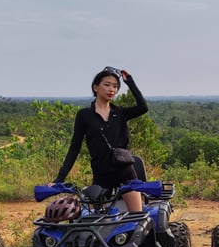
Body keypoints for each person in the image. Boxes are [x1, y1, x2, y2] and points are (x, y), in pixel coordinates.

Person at [53, 67, 149, 212]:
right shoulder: (84, 115)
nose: (112, 89)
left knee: (137, 219)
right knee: (93, 222)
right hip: (101, 174)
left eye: (115, 86)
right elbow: (75, 148)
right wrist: (59, 179)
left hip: (125, 172)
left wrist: (129, 81)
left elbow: (143, 107)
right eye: (107, 84)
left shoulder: (120, 113)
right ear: (96, 87)